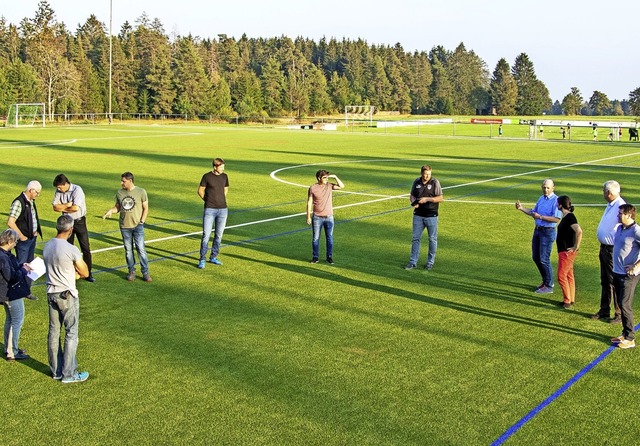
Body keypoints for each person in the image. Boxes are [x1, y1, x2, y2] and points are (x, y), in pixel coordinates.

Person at [43, 215, 90, 382]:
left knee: (54, 333)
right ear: (70, 230)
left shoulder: (47, 245)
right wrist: (75, 274)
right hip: (67, 295)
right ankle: (68, 374)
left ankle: (56, 371)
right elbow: (85, 272)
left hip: (51, 293)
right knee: (71, 333)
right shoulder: (71, 249)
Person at [515, 179, 562, 293]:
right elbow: (533, 212)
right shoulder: (541, 198)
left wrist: (540, 217)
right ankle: (545, 281)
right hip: (537, 231)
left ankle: (549, 285)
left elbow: (556, 218)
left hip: (547, 231)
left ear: (553, 188)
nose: (545, 190)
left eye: (548, 188)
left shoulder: (556, 201)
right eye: (544, 187)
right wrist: (521, 208)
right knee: (536, 257)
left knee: (543, 259)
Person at [103, 172, 151, 282]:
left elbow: (146, 208)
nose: (121, 183)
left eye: (123, 181)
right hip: (124, 226)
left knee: (141, 249)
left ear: (130, 181)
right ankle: (131, 271)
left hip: (137, 226)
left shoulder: (141, 192)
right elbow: (118, 207)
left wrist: (142, 221)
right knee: (128, 250)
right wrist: (111, 211)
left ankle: (145, 272)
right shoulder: (119, 193)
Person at [52, 174, 95, 282]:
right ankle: (69, 272)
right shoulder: (59, 192)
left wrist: (63, 207)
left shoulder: (77, 190)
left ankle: (88, 273)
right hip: (66, 222)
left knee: (85, 248)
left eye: (59, 187)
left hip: (79, 221)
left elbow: (75, 208)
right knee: (67, 248)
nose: (58, 189)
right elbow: (55, 207)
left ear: (65, 184)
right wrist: (67, 204)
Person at [593, 180, 625, 323]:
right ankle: (604, 309)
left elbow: (626, 227)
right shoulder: (611, 204)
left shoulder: (620, 206)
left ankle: (618, 313)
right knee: (605, 280)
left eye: (604, 191)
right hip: (605, 249)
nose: (603, 193)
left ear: (609, 193)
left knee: (614, 281)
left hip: (612, 250)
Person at [610, 204, 640, 349]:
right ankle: (624, 333)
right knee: (620, 304)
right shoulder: (620, 228)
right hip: (617, 272)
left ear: (629, 215)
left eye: (620, 213)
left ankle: (630, 338)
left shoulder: (636, 231)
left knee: (625, 305)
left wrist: (636, 266)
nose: (618, 215)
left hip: (629, 276)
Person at [1, 229, 34, 361]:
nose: (15, 244)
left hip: (6, 293)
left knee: (10, 320)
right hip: (11, 293)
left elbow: (13, 269)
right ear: (9, 241)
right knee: (17, 320)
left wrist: (21, 266)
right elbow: (12, 277)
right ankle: (12, 351)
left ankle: (9, 348)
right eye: (14, 242)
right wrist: (24, 270)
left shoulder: (5, 254)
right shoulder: (3, 256)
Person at [405, 165, 444, 270]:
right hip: (418, 215)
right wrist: (414, 202)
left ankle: (430, 262)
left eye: (429, 174)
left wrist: (427, 199)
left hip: (431, 215)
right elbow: (412, 195)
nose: (427, 176)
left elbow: (440, 198)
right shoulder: (416, 182)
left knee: (432, 239)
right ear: (421, 173)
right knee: (415, 238)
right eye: (425, 174)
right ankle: (413, 261)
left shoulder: (435, 182)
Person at [306, 170, 344, 264]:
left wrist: (335, 177)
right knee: (315, 238)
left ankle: (329, 257)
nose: (326, 179)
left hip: (329, 217)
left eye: (327, 177)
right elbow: (309, 202)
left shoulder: (329, 186)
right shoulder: (313, 188)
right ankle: (315, 257)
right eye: (324, 177)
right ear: (319, 178)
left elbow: (342, 186)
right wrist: (308, 216)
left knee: (329, 238)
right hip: (317, 217)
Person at [197, 158, 229, 269]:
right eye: (221, 167)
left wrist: (221, 199)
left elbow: (225, 189)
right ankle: (202, 259)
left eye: (223, 167)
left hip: (223, 210)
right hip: (210, 210)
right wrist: (207, 200)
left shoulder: (225, 176)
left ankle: (213, 256)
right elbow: (200, 191)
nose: (223, 169)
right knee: (206, 235)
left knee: (219, 235)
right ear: (215, 167)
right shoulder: (207, 177)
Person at [555, 196, 583, 308]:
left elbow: (579, 231)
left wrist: (576, 246)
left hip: (566, 253)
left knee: (561, 276)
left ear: (561, 205)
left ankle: (567, 301)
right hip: (565, 252)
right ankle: (571, 298)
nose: (557, 205)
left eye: (558, 203)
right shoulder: (567, 216)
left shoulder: (570, 217)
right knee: (569, 275)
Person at [7, 180, 43, 264]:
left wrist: (36, 231)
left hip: (32, 238)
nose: (38, 195)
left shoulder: (30, 201)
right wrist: (22, 236)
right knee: (22, 264)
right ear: (31, 190)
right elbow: (10, 222)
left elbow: (33, 217)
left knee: (30, 264)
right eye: (37, 193)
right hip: (23, 240)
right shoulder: (18, 202)